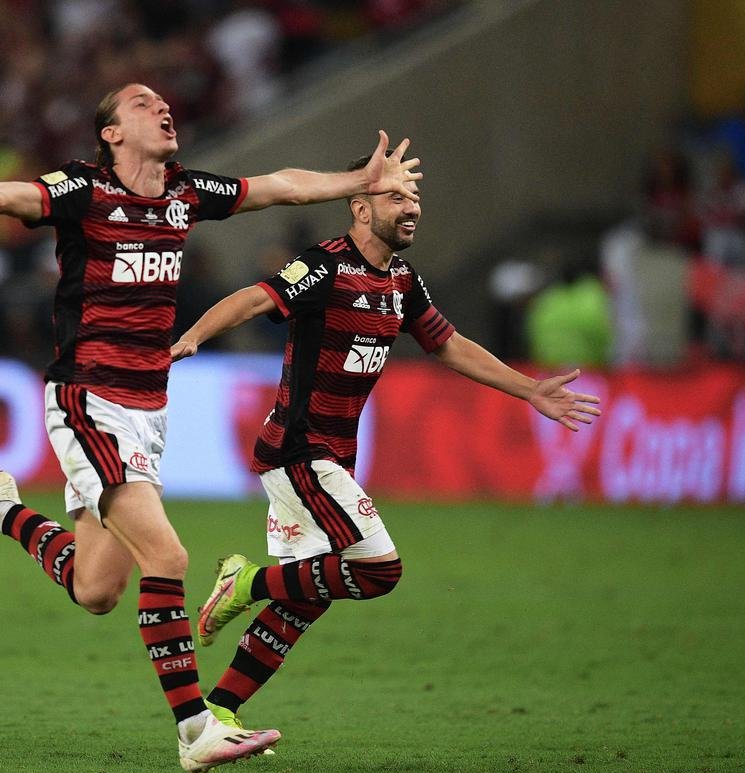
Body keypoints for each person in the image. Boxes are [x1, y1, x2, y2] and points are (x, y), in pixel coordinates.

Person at [0, 83, 422, 773]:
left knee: (97, 589)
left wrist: (357, 180)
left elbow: (280, 187)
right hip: (88, 398)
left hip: (149, 409)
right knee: (168, 558)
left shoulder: (185, 192)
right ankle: (196, 732)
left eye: (162, 101)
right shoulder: (84, 190)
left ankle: (0, 509)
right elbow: (1, 197)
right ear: (112, 133)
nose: (162, 107)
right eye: (142, 103)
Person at [169, 152, 601, 729]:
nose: (411, 208)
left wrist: (529, 390)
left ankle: (219, 713)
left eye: (414, 199)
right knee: (378, 569)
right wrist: (194, 336)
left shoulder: (402, 280)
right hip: (300, 452)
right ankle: (244, 582)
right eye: (396, 197)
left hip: (330, 457)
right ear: (360, 207)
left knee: (306, 598)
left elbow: (449, 344)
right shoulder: (325, 266)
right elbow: (254, 298)